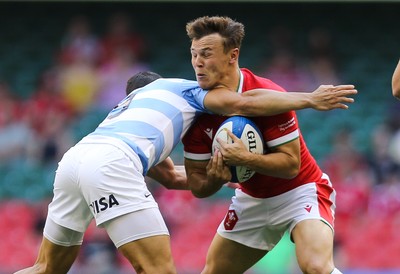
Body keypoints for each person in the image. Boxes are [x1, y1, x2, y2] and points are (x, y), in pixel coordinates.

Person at [14, 61, 357, 274]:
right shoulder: (177, 89)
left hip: (76, 159)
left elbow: (169, 176)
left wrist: (222, 175)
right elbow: (243, 100)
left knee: (46, 268)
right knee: (159, 269)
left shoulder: (121, 112)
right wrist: (310, 99)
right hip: (113, 163)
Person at [183, 16, 345, 274]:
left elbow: (291, 166)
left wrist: (245, 159)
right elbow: (197, 185)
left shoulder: (268, 94)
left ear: (232, 55)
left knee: (316, 267)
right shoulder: (196, 110)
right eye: (193, 54)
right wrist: (215, 179)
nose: (198, 63)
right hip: (253, 199)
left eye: (206, 54)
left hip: (300, 190)